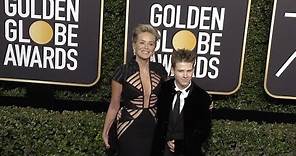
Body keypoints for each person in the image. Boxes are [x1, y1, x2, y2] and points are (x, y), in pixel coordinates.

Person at [102, 24, 167, 156]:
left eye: (151, 44)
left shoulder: (160, 70)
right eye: (142, 43)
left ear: (154, 48)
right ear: (134, 45)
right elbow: (114, 105)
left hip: (153, 128)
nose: (146, 47)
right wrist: (106, 130)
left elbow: (169, 98)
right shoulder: (123, 72)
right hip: (128, 126)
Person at [152, 49, 212, 156]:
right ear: (173, 70)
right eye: (180, 71)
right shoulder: (163, 89)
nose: (185, 75)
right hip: (161, 151)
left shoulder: (202, 97)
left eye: (189, 71)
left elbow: (203, 132)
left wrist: (180, 145)